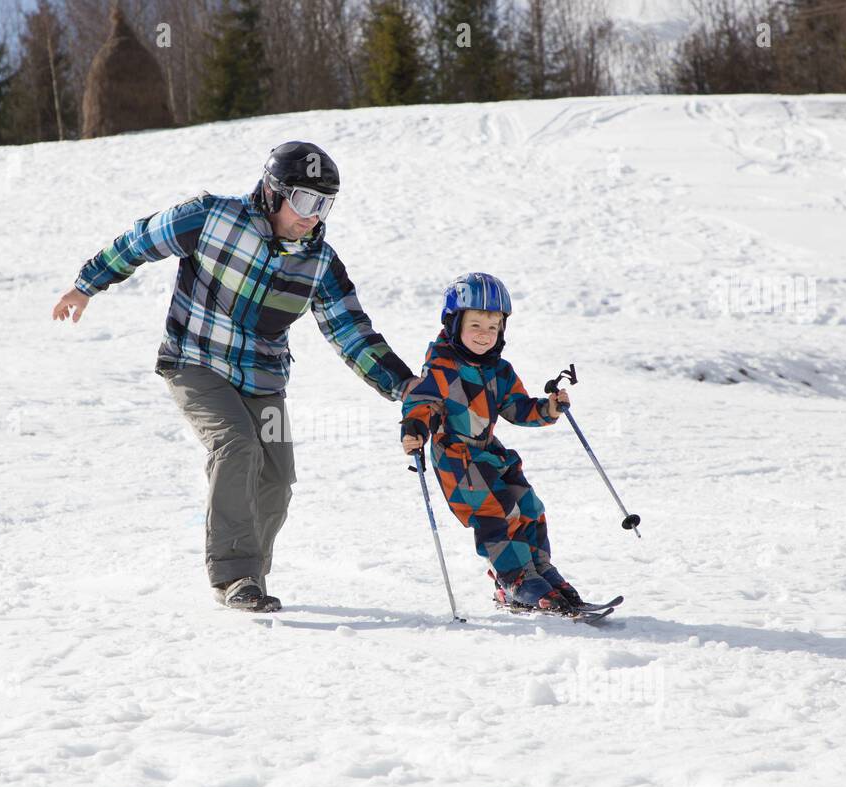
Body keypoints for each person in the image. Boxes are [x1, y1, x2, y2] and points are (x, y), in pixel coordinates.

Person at [51, 141, 419, 612]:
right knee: (236, 444)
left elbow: (350, 329)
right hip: (194, 363)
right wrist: (86, 284)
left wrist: (400, 382)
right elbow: (139, 241)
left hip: (265, 381)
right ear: (273, 191)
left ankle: (251, 577)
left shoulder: (320, 262)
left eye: (325, 204)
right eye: (305, 201)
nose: (314, 215)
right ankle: (234, 574)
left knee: (278, 479)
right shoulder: (209, 218)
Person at [400, 272, 586, 613]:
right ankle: (514, 579)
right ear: (454, 324)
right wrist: (414, 428)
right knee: (495, 514)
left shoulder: (499, 370)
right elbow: (421, 403)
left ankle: (538, 569)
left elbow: (516, 408)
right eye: (475, 326)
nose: (485, 336)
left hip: (488, 452)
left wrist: (549, 408)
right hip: (456, 457)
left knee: (528, 506)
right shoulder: (441, 368)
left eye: (493, 327)